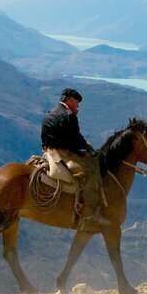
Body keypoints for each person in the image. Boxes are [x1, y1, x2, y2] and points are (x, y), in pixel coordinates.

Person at [41, 88, 110, 227]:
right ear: (71, 100)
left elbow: (46, 135)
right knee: (93, 170)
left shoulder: (50, 113)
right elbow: (74, 140)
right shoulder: (69, 116)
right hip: (64, 153)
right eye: (77, 104)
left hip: (49, 150)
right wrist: (86, 147)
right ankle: (90, 213)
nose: (77, 107)